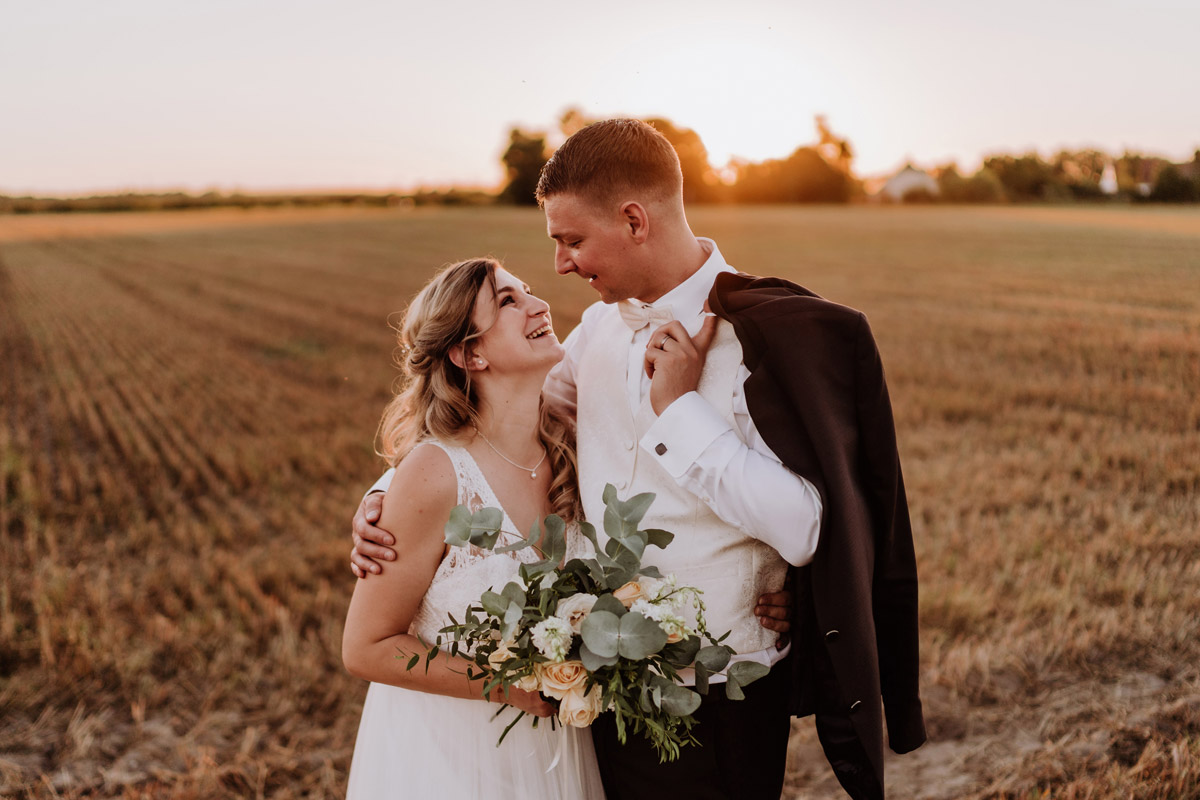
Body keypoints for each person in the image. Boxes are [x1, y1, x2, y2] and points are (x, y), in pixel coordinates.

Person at [354, 119, 926, 800]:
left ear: (633, 220)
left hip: (720, 699)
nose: (561, 265)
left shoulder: (767, 340)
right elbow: (496, 430)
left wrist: (682, 413)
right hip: (598, 699)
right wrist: (388, 499)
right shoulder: (596, 331)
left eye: (570, 240)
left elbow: (807, 528)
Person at [340, 258, 605, 798]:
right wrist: (505, 687)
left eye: (528, 291)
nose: (539, 304)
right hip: (450, 755)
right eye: (508, 301)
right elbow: (365, 647)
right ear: (469, 353)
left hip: (560, 748)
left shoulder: (575, 449)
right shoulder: (434, 474)